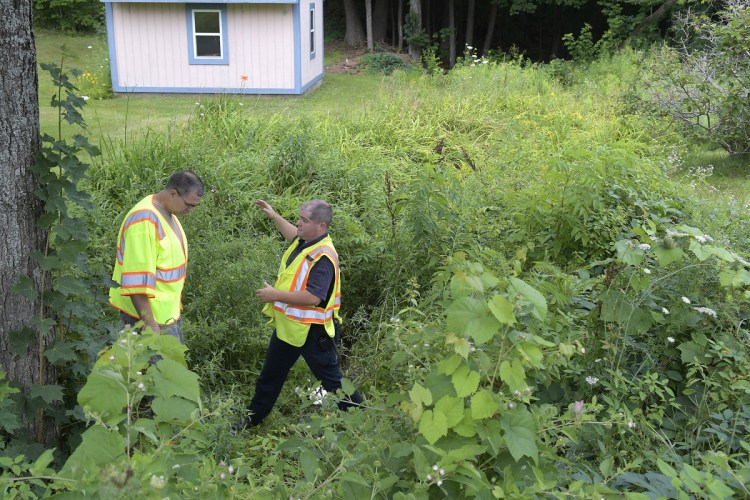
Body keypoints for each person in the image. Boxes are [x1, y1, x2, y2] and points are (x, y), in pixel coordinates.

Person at [235, 199, 364, 429]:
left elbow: (314, 297)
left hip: (314, 334)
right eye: (299, 218)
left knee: (333, 382)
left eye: (304, 220)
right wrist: (274, 216)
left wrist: (275, 295)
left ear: (321, 226)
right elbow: (293, 235)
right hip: (290, 328)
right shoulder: (306, 241)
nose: (298, 224)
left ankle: (364, 420)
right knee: (270, 376)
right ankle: (252, 420)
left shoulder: (323, 256)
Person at [109, 170, 204, 340]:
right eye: (189, 205)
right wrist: (150, 323)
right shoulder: (144, 221)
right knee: (159, 367)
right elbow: (135, 281)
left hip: (166, 315)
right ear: (173, 193)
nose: (191, 211)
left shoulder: (167, 212)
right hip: (148, 319)